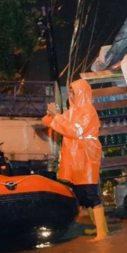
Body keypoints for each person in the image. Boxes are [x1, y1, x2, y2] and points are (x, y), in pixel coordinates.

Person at [43, 79, 108, 241]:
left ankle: (102, 232)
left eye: (72, 91)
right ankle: (99, 227)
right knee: (82, 194)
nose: (70, 94)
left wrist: (57, 115)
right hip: (74, 157)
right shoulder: (73, 111)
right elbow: (56, 124)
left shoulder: (88, 111)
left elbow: (73, 131)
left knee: (91, 192)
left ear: (81, 93)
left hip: (87, 155)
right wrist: (52, 114)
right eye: (70, 91)